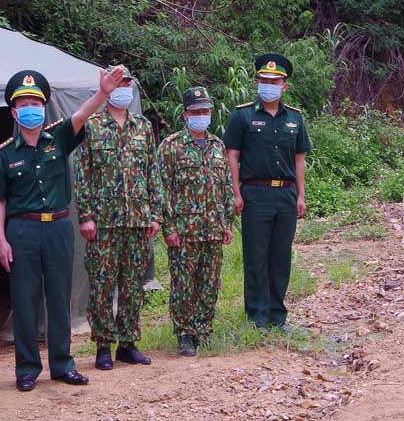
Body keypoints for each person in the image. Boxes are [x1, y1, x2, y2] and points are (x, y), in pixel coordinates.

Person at [0, 65, 128, 391]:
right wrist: (1, 240)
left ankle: (63, 364)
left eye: (36, 104)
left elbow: (80, 114)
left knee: (59, 298)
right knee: (24, 300)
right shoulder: (4, 155)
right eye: (24, 105)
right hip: (23, 231)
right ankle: (27, 369)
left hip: (60, 228)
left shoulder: (58, 138)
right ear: (14, 111)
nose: (31, 109)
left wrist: (103, 93)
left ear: (44, 107)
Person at [75, 67, 162, 370]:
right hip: (103, 222)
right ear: (109, 87)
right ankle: (103, 346)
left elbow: (152, 172)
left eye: (128, 84)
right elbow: (83, 174)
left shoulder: (143, 126)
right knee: (101, 284)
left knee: (133, 285)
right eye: (119, 83)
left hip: (138, 220)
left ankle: (128, 343)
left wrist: (156, 214)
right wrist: (86, 216)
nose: (124, 88)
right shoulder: (93, 126)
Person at [223, 53, 311, 330]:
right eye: (264, 80)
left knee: (280, 257)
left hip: (285, 195)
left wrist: (301, 195)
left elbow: (299, 159)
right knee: (256, 257)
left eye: (274, 81)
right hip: (255, 194)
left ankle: (277, 315)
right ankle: (257, 317)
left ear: (284, 86)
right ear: (257, 83)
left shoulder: (295, 119)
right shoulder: (243, 115)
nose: (268, 85)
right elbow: (232, 156)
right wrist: (236, 193)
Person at [157, 86, 233, 356]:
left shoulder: (217, 145)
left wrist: (227, 223)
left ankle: (204, 330)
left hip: (213, 227)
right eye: (197, 111)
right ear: (186, 114)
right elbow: (162, 188)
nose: (202, 115)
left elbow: (225, 186)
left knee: (209, 283)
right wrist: (169, 227)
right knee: (183, 285)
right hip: (184, 230)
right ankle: (185, 334)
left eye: (206, 111)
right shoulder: (171, 146)